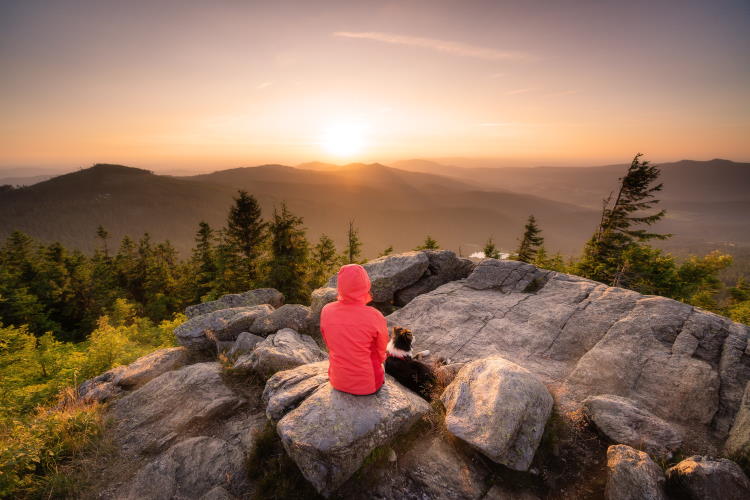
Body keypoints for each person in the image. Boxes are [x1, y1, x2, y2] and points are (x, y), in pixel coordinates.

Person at [320, 264, 389, 395]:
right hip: (368, 386)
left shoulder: (327, 310)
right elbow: (381, 352)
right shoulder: (375, 316)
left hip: (337, 381)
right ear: (366, 285)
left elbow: (328, 343)